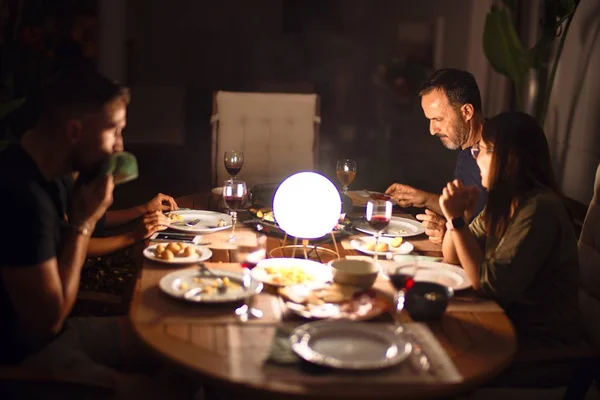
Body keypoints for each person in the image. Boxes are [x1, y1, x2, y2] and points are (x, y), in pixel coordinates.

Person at [0, 67, 195, 398]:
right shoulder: (21, 195)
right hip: (25, 357)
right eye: (113, 131)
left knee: (183, 343)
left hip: (59, 334)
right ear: (75, 131)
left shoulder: (40, 171)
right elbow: (46, 322)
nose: (120, 146)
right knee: (166, 391)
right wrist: (84, 223)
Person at [439, 112, 581, 349]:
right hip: (506, 321)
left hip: (540, 343)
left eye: (480, 150)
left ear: (505, 157)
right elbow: (452, 257)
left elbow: (488, 286)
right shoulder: (506, 200)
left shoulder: (539, 209)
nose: (476, 159)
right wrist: (460, 217)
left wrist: (456, 221)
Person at [386, 69, 487, 244]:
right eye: (430, 120)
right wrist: (424, 198)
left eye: (438, 119)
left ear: (467, 112)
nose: (432, 130)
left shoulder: (497, 153)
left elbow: (502, 235)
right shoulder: (467, 149)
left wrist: (452, 236)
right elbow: (466, 211)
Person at [61, 172, 177, 257]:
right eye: (112, 137)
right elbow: (67, 246)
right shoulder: (54, 183)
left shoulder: (69, 175)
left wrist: (145, 208)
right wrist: (133, 237)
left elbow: (99, 219)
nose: (118, 145)